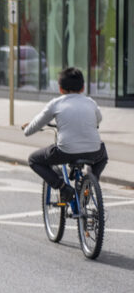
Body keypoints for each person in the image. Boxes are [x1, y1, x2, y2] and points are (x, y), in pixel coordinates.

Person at [22, 67, 108, 203]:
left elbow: (33, 127)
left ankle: (63, 187)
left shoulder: (56, 104)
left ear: (60, 89)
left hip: (66, 152)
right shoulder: (91, 102)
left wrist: (27, 128)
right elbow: (99, 119)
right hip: (94, 151)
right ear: (83, 87)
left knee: (33, 160)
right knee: (103, 156)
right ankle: (90, 182)